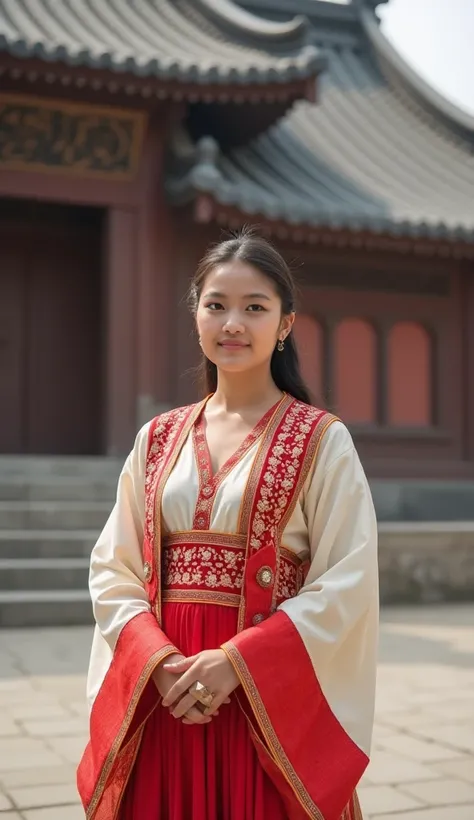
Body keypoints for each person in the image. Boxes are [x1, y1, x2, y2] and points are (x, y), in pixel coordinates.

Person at [77, 229, 379, 820]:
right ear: (195, 315)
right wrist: (161, 666)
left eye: (255, 308)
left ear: (286, 325)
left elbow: (348, 576)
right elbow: (113, 566)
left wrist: (235, 663)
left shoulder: (322, 439)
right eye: (216, 304)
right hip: (166, 687)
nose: (232, 323)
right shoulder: (157, 437)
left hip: (259, 696)